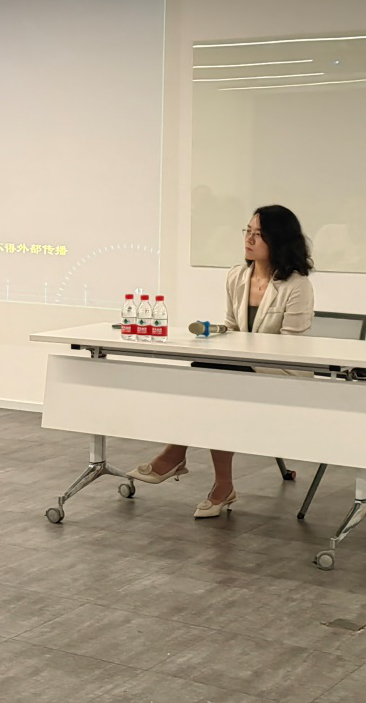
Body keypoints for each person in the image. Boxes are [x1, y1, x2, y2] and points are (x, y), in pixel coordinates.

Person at [128, 205, 315, 518]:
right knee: (212, 376)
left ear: (279, 240)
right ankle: (220, 484)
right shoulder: (236, 276)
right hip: (241, 374)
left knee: (216, 379)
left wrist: (239, 351)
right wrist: (215, 334)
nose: (249, 239)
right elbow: (232, 326)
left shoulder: (297, 285)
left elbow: (290, 347)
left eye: (259, 234)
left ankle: (178, 454)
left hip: (282, 376)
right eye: (248, 231)